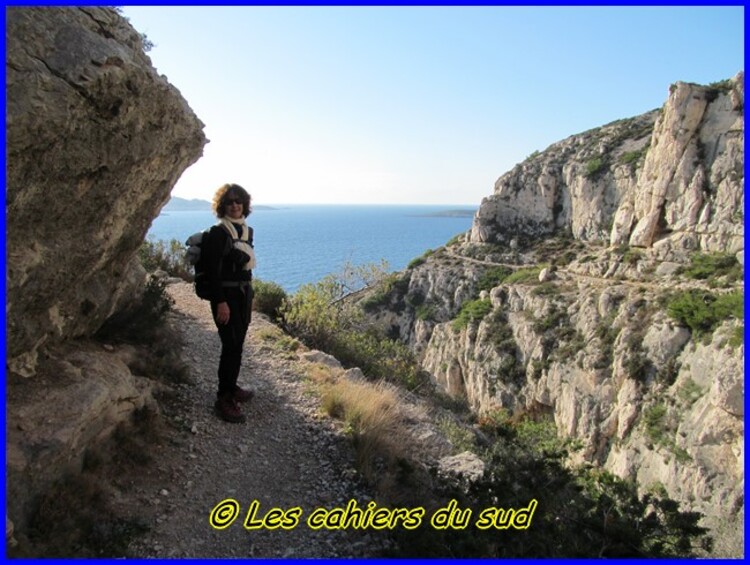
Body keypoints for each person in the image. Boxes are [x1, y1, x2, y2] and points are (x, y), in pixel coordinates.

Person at [204, 183, 256, 423]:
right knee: (230, 345)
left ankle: (232, 387)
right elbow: (212, 272)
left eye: (238, 200)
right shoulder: (218, 233)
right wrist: (220, 302)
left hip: (244, 295)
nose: (235, 205)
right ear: (222, 206)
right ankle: (223, 398)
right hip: (226, 297)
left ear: (244, 203)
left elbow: (245, 267)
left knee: (238, 345)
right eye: (229, 201)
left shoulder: (246, 231)